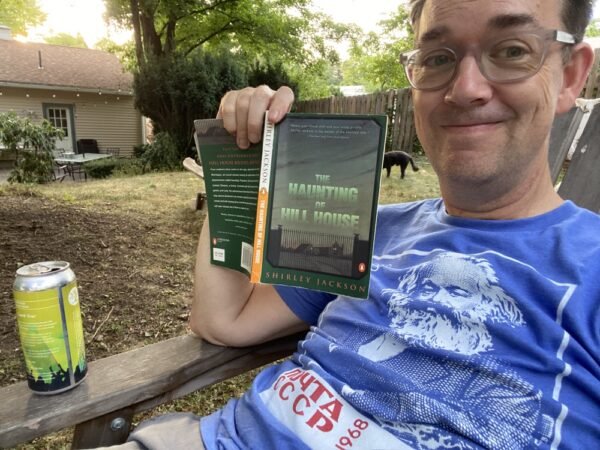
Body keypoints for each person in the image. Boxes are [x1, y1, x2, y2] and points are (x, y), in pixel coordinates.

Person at [101, 0, 600, 448]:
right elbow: (223, 319)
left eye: (512, 50)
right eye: (438, 59)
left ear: (572, 75)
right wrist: (239, 163)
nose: (465, 88)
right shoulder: (372, 229)